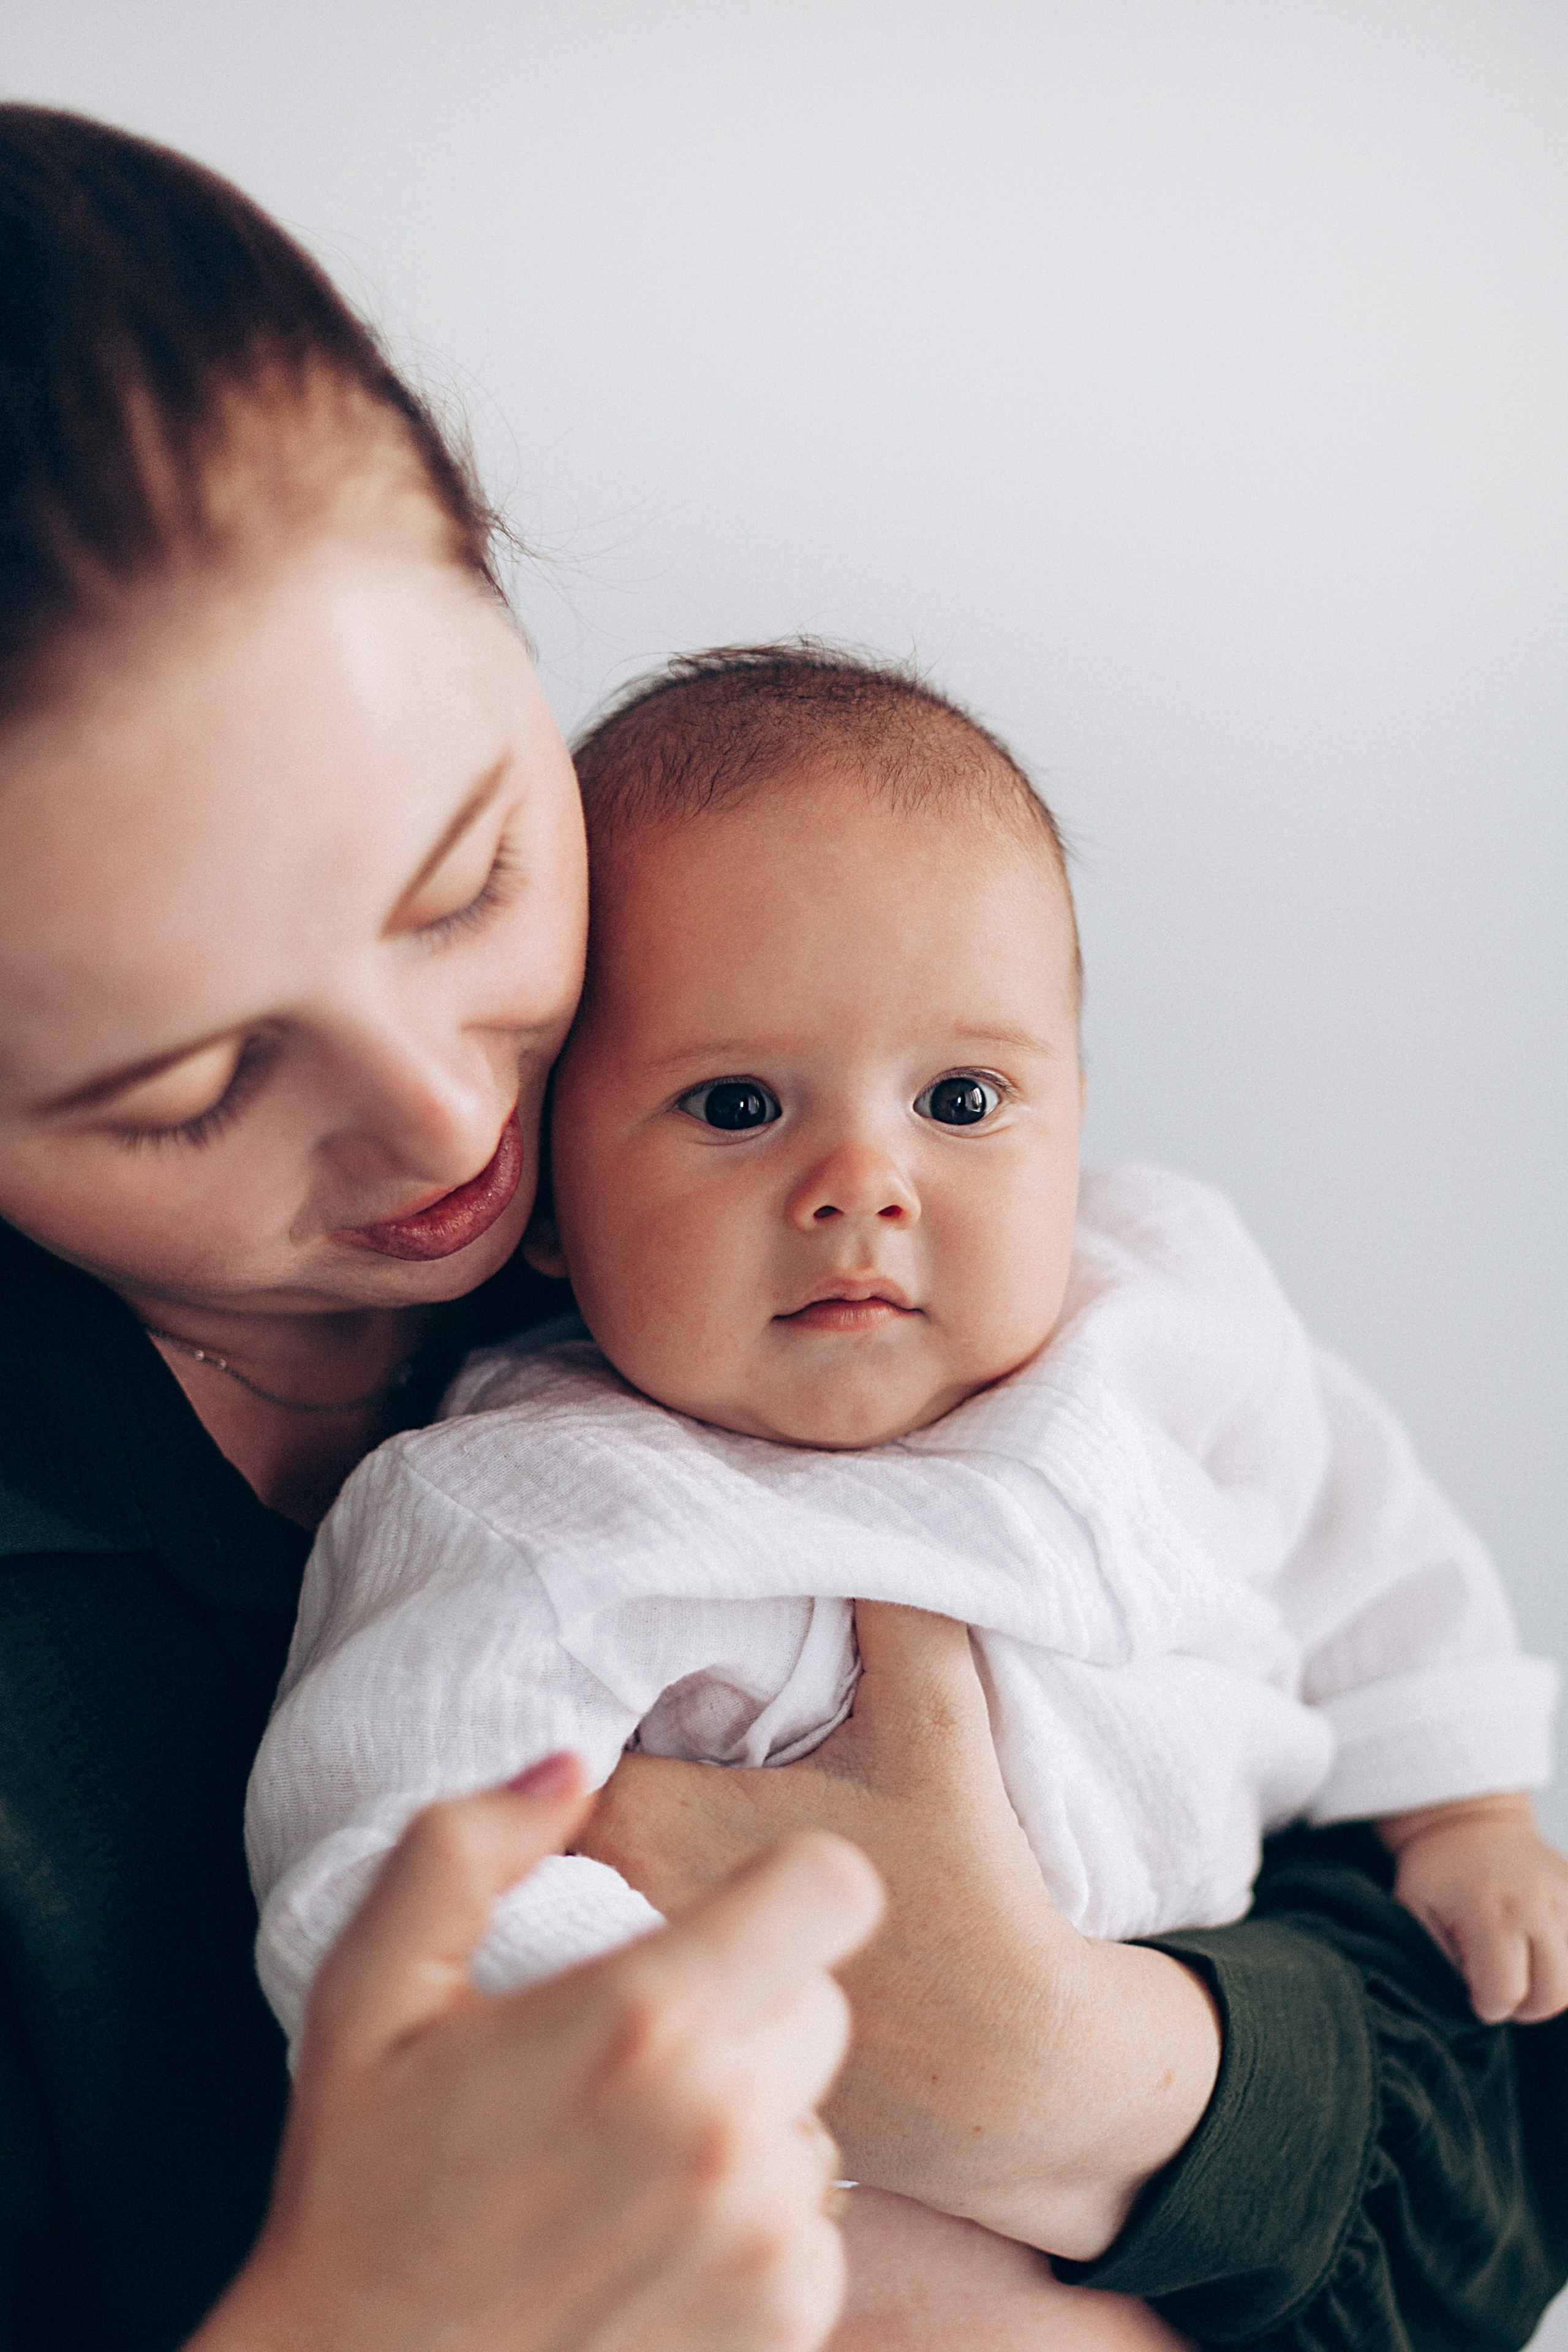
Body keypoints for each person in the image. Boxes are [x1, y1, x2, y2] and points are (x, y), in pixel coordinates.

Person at [0, 99, 1562, 2352]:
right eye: (191, 1087)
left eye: (472, 882)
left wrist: (1073, 2063)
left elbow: (1503, 2146)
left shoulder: (887, 1167)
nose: (459, 1114)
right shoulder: (515, 1506)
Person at [244, 646, 1566, 2337]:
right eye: (736, 1104)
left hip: (1199, 2106)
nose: (861, 1184)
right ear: (553, 1190)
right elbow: (388, 1842)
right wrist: (654, 2041)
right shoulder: (542, 1502)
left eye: (961, 1099)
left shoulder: (1159, 1316)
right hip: (780, 2187)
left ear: (1076, 1117)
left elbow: (1358, 1540)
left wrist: (1461, 1811)